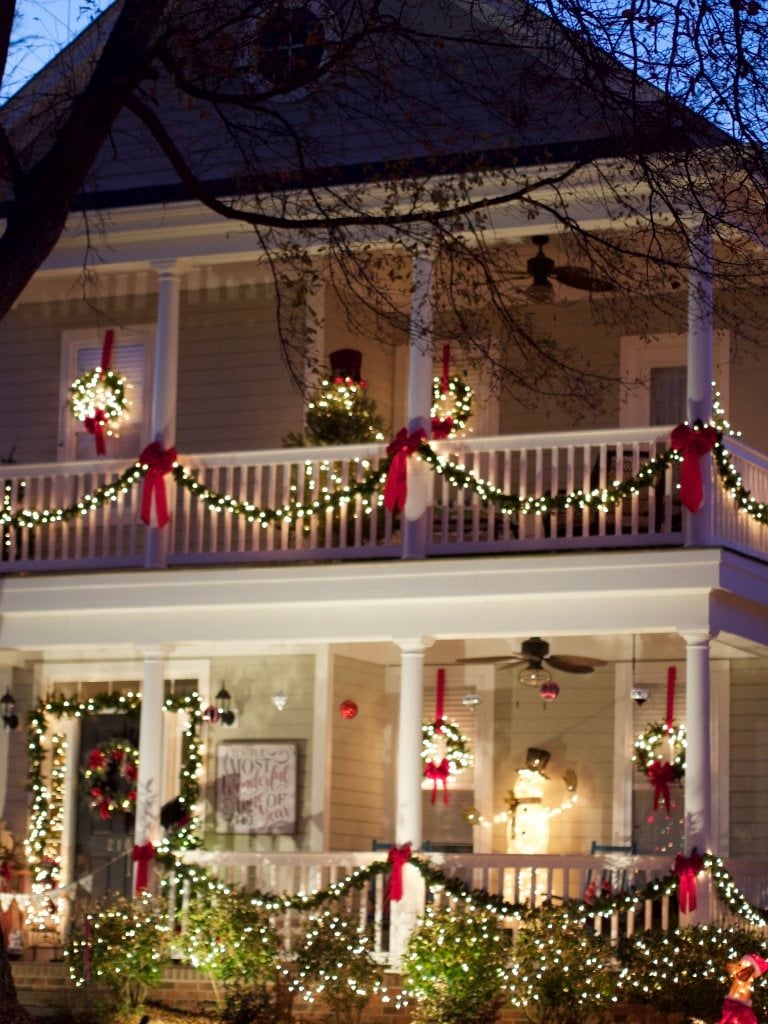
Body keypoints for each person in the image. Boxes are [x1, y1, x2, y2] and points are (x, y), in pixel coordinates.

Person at [717, 954, 768, 1024]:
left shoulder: (743, 985)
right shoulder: (739, 981)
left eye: (740, 965)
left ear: (749, 970)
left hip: (737, 1012)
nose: (736, 966)